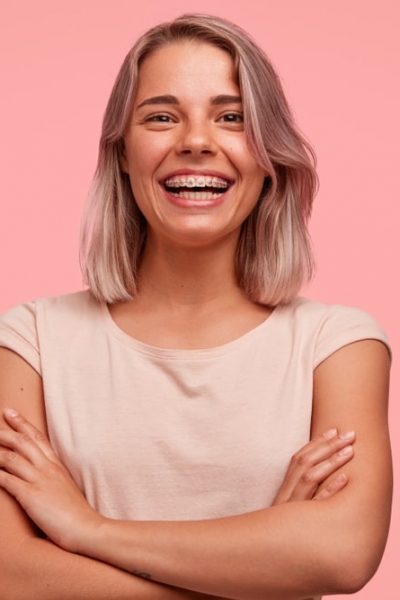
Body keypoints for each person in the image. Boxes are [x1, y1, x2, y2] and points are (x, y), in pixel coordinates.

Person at [0, 13, 392, 600]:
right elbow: (10, 571)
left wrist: (88, 529)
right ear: (123, 153)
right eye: (161, 116)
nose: (196, 141)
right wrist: (264, 573)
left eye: (232, 118)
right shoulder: (30, 340)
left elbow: (342, 552)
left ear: (269, 157)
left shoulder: (337, 345)